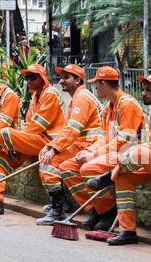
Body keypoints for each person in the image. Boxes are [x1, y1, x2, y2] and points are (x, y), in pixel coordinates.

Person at [87, 74, 151, 245]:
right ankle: (128, 231)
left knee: (135, 153)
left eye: (148, 90)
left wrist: (135, 150)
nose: (144, 93)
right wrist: (136, 150)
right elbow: (149, 142)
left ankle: (108, 177)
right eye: (143, 89)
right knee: (123, 178)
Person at [0, 64, 66, 215]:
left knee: (5, 133)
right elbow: (28, 125)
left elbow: (37, 125)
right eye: (27, 78)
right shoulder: (35, 96)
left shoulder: (51, 93)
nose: (29, 81)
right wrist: (14, 145)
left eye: (33, 77)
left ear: (42, 79)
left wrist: (14, 141)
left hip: (50, 144)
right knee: (0, 157)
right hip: (37, 141)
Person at [59, 66, 145, 231]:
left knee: (88, 168)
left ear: (104, 84)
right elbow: (103, 137)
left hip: (128, 153)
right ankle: (95, 209)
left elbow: (125, 140)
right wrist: (90, 151)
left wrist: (94, 155)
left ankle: (108, 210)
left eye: (96, 84)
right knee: (67, 167)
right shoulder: (108, 107)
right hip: (112, 151)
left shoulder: (127, 105)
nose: (95, 88)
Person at [36, 64, 103, 225]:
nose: (61, 81)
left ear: (78, 79)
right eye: (61, 77)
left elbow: (73, 130)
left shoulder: (81, 98)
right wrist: (50, 145)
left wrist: (53, 149)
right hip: (83, 144)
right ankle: (62, 205)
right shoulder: (78, 97)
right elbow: (67, 130)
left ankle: (59, 210)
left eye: (66, 78)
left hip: (89, 145)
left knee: (49, 163)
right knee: (53, 162)